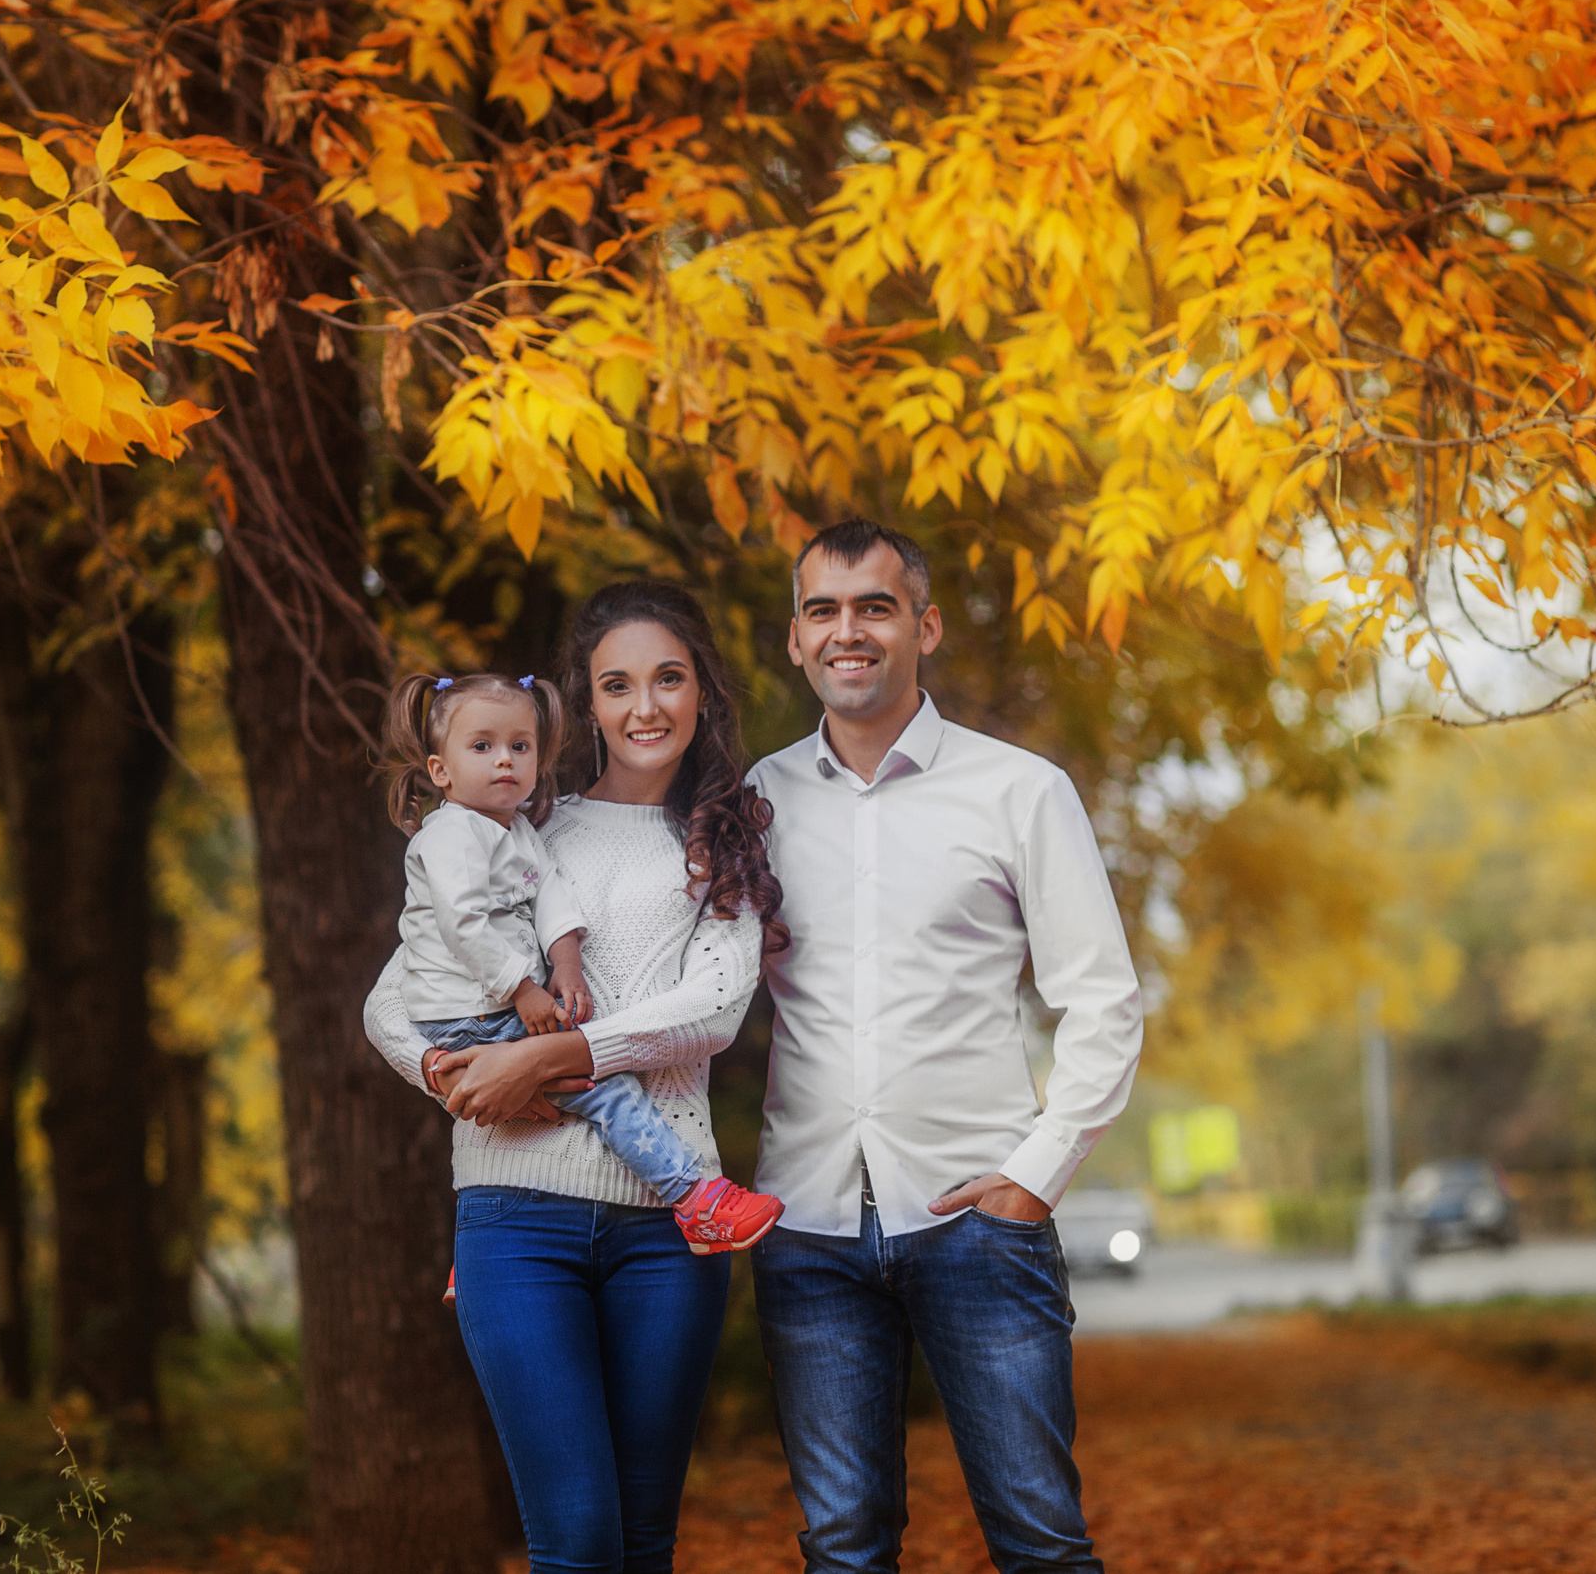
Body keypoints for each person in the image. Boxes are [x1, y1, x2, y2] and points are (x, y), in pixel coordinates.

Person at [747, 519, 1145, 1574]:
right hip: (807, 1226)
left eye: (874, 607)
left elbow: (1102, 999)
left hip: (977, 1220)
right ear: (795, 638)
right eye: (824, 611)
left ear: (922, 628)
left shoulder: (1019, 790)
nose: (848, 631)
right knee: (842, 1549)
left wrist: (1036, 1175)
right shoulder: (752, 804)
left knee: (1041, 1542)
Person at [363, 581, 785, 1574]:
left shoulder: (723, 840)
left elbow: (713, 1010)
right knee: (579, 1541)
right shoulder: (515, 825)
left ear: (701, 691)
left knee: (641, 1543)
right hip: (515, 1218)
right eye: (617, 684)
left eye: (668, 679)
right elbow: (389, 1001)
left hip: (671, 1228)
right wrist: (450, 1074)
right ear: (586, 704)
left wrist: (549, 1054)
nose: (645, 706)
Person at [379, 668, 785, 1273]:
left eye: (520, 746)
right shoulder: (450, 836)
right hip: (469, 1016)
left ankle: (479, 1262)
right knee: (607, 1093)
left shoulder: (519, 829)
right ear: (441, 770)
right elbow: (462, 925)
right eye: (482, 746)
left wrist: (567, 963)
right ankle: (694, 1197)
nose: (504, 760)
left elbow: (549, 895)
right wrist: (523, 990)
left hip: (496, 1013)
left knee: (571, 1085)